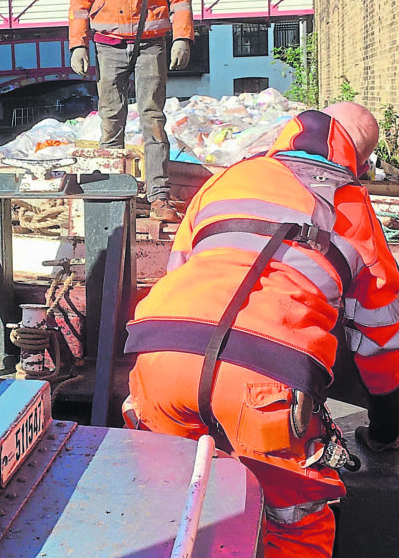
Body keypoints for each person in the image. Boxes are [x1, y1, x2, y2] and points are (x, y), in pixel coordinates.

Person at [123, 102, 399, 558]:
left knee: (172, 510)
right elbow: (382, 338)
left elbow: (180, 270)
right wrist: (386, 427)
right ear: (360, 162)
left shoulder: (226, 179)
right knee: (293, 520)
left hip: (160, 357)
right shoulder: (353, 206)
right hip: (268, 383)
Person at [68, 0, 193, 220]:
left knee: (153, 118)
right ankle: (113, 195)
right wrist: (78, 44)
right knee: (111, 119)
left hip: (151, 41)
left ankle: (158, 198)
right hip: (108, 44)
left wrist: (183, 36)